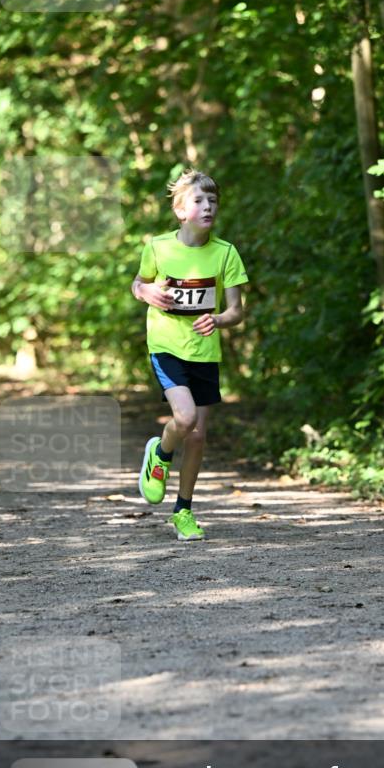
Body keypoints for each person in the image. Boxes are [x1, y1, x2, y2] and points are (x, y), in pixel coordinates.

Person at [131, 168, 248, 540]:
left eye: (212, 200)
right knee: (183, 419)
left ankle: (183, 511)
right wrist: (146, 293)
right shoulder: (158, 247)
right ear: (181, 211)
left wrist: (218, 320)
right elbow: (139, 283)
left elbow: (236, 311)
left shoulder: (226, 253)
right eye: (199, 200)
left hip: (204, 352)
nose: (208, 206)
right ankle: (160, 456)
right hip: (166, 345)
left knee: (197, 437)